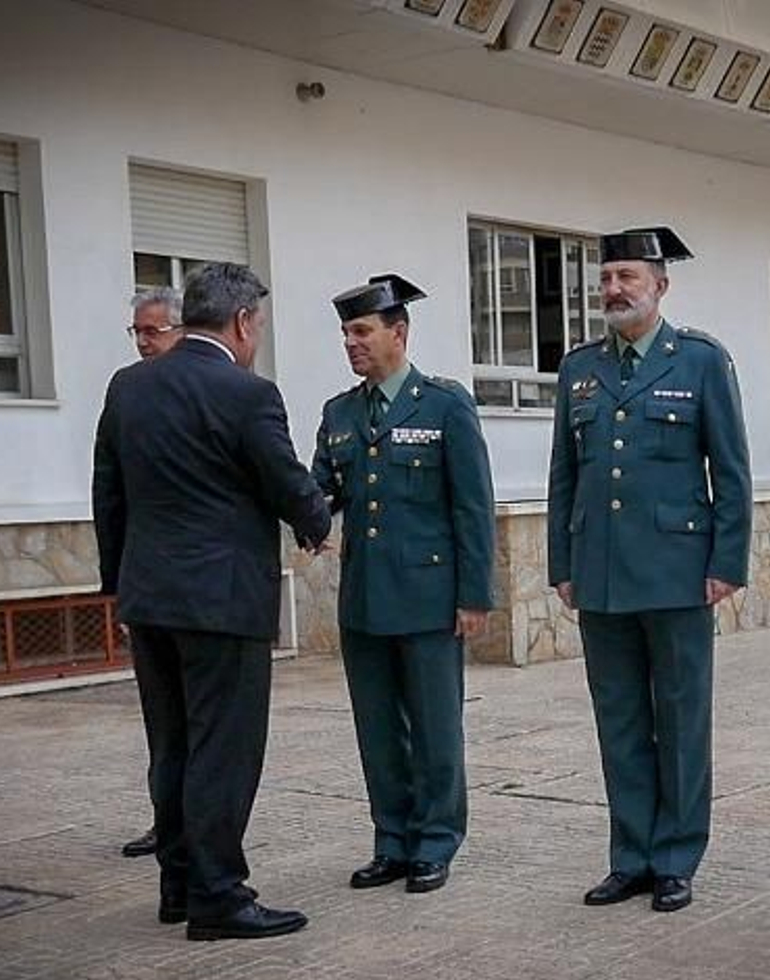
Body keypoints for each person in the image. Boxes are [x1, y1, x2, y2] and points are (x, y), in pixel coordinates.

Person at [92, 262, 331, 940]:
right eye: (259, 325)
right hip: (221, 602)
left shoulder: (129, 387)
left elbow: (106, 490)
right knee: (222, 750)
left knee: (171, 746)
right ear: (242, 321)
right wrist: (316, 522)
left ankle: (178, 885)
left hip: (150, 599)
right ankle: (219, 896)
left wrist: (119, 582)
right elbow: (283, 479)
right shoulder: (246, 392)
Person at [547, 226, 752, 913]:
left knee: (682, 716)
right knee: (622, 721)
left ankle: (676, 857)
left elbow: (730, 470)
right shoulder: (579, 369)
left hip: (677, 570)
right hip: (601, 571)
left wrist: (726, 563)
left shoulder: (697, 361)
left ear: (659, 286)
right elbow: (564, 476)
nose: (613, 290)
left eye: (627, 278)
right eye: (606, 279)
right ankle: (630, 856)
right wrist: (562, 563)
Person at [311, 274, 495, 895]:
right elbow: (319, 491)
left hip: (429, 601)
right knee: (379, 732)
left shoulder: (444, 405)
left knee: (436, 728)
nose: (351, 343)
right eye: (345, 333)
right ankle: (391, 840)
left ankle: (436, 842)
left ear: (399, 332)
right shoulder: (338, 412)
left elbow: (472, 506)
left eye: (362, 331)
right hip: (363, 600)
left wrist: (474, 596)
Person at [117, 287, 184, 860]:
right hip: (147, 588)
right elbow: (107, 487)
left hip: (207, 592)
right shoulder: (127, 391)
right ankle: (166, 823)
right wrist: (115, 585)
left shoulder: (217, 389)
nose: (143, 341)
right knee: (161, 721)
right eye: (137, 331)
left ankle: (196, 833)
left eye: (153, 331)